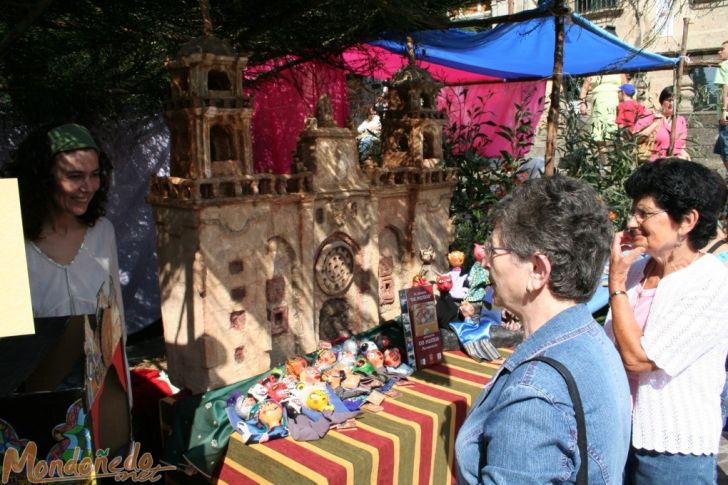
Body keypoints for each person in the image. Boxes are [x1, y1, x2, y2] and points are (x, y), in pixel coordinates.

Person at [455, 176, 631, 484]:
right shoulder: (590, 338)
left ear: (537, 270)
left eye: (493, 251)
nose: (485, 264)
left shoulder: (535, 393)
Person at [605, 159, 728, 483]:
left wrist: (615, 285)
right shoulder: (635, 271)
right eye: (633, 211)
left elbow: (638, 360)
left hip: (671, 453)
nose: (632, 222)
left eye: (644, 213)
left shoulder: (711, 282)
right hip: (619, 437)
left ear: (686, 221)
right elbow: (608, 346)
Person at [1, 123, 124, 318]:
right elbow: (8, 333)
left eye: (95, 175)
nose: (89, 187)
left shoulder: (103, 231)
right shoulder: (8, 234)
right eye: (74, 176)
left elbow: (116, 316)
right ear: (42, 177)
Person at [633, 86, 689, 161]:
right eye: (669, 100)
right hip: (653, 163)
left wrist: (685, 157)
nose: (672, 104)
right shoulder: (651, 116)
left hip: (674, 164)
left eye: (675, 101)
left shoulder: (680, 121)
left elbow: (682, 146)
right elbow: (636, 138)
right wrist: (656, 123)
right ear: (662, 102)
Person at [714, 40, 728, 173]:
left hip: (726, 113)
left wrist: (724, 110)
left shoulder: (724, 65)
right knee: (721, 147)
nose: (720, 52)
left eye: (722, 49)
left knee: (725, 149)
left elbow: (726, 87)